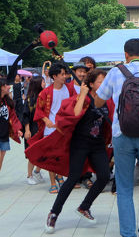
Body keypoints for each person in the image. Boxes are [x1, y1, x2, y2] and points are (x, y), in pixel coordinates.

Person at [94, 38, 139, 237]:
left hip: (122, 134)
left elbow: (99, 101)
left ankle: (128, 233)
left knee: (124, 187)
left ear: (125, 55)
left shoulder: (115, 73)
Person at [42, 69, 112, 233]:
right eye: (101, 81)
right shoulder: (82, 97)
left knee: (104, 176)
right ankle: (54, 213)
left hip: (98, 144)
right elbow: (74, 114)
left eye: (105, 81)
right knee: (73, 178)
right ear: (92, 84)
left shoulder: (106, 99)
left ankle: (84, 206)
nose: (104, 84)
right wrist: (82, 94)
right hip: (80, 143)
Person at [33, 62, 77, 193]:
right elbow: (39, 110)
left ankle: (60, 176)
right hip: (51, 128)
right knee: (52, 156)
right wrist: (46, 120)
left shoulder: (69, 89)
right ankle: (53, 182)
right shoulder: (46, 92)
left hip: (65, 128)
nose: (65, 76)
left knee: (63, 155)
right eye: (62, 74)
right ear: (54, 76)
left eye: (65, 74)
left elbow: (76, 103)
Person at [22, 75, 45, 184]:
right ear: (38, 84)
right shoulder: (30, 99)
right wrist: (27, 130)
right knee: (33, 153)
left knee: (43, 152)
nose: (45, 84)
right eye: (43, 82)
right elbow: (25, 116)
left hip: (42, 129)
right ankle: (29, 175)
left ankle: (37, 171)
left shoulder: (44, 96)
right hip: (32, 128)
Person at [0, 77, 23, 173]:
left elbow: (13, 117)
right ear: (1, 87)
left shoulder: (7, 102)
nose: (9, 87)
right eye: (6, 85)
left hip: (4, 133)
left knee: (1, 159)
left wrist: (17, 129)